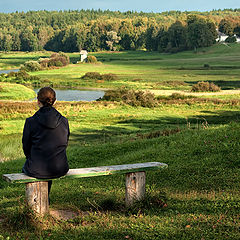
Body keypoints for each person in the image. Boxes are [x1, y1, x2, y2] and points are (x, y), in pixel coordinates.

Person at [22, 87, 69, 199]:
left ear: (38, 102)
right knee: (44, 168)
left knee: (30, 167)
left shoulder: (30, 121)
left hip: (36, 168)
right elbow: (65, 142)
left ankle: (39, 202)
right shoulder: (64, 120)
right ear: (55, 101)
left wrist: (31, 158)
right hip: (60, 167)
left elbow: (26, 147)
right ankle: (44, 199)